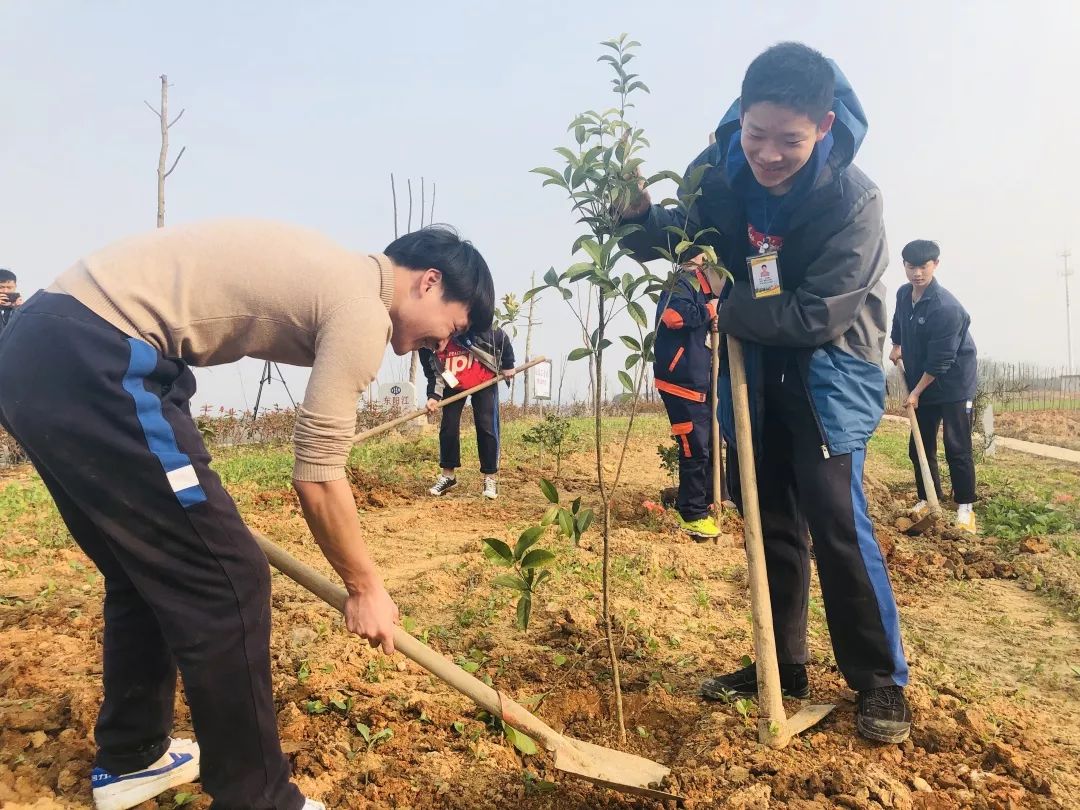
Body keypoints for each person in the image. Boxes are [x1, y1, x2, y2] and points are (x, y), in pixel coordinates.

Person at [0, 221, 494, 810]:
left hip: (42, 350)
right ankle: (259, 799)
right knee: (228, 579)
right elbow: (317, 474)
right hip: (99, 355)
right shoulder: (363, 309)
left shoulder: (334, 271)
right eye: (454, 327)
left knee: (145, 570)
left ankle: (133, 759)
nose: (443, 347)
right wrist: (365, 586)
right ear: (429, 283)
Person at [617, 42, 911, 744]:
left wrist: (724, 307)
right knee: (772, 516)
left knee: (834, 515)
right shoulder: (720, 170)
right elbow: (677, 234)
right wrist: (630, 217)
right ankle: (782, 667)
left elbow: (817, 316)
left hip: (828, 366)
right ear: (739, 119)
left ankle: (879, 682)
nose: (770, 155)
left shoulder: (853, 200)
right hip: (754, 361)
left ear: (825, 128)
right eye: (757, 135)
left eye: (790, 140)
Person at [889, 239, 978, 533]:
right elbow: (899, 323)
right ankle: (929, 498)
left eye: (923, 266)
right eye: (911, 266)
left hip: (952, 382)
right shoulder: (904, 295)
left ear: (935, 265)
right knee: (919, 444)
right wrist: (897, 345)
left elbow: (941, 362)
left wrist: (914, 392)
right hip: (922, 379)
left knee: (956, 445)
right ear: (904, 266)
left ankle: (965, 507)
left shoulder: (947, 309)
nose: (917, 273)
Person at [654, 258, 724, 538]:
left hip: (698, 383)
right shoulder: (682, 282)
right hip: (678, 382)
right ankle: (692, 515)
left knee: (707, 444)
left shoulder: (705, 291)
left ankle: (708, 502)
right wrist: (709, 310)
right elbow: (673, 316)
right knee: (693, 448)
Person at [421, 326, 514, 499]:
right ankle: (448, 476)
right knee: (448, 426)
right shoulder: (425, 345)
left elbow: (501, 337)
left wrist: (508, 364)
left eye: (439, 341)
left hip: (484, 379)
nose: (436, 346)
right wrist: (433, 396)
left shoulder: (475, 329)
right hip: (454, 383)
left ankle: (489, 477)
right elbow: (433, 374)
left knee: (486, 426)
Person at [0, 268, 23, 335]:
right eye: (1, 287)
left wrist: (20, 309)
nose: (5, 291)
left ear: (15, 287)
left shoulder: (21, 307)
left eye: (9, 287)